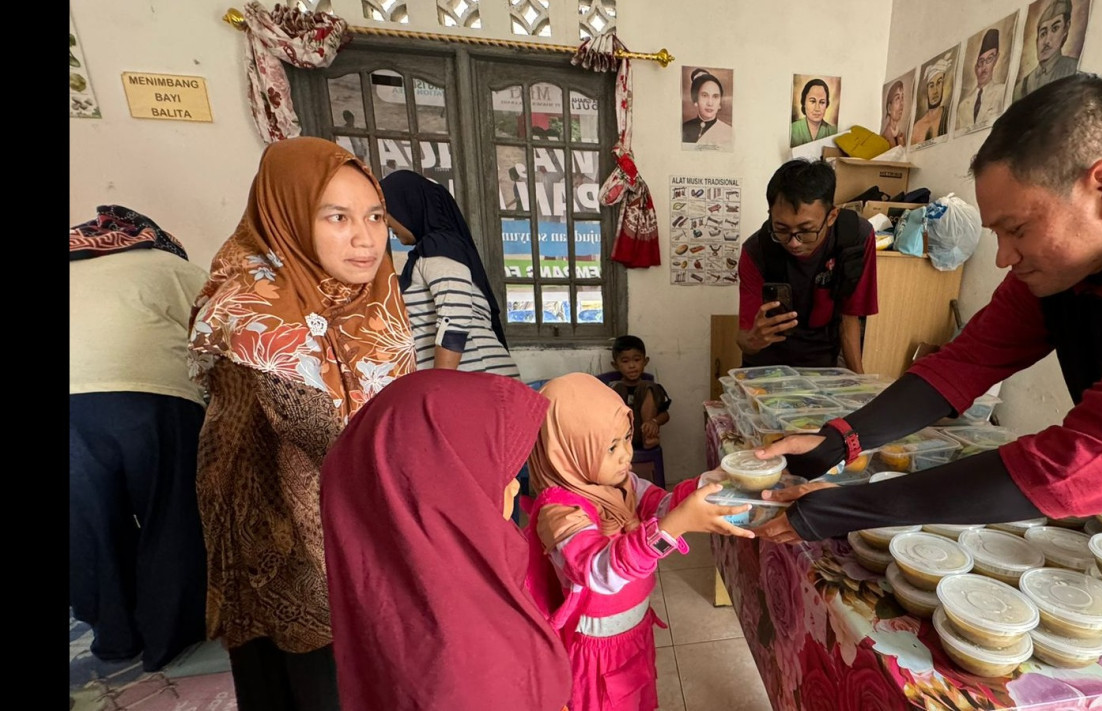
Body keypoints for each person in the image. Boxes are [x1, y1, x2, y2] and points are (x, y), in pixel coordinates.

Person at [749, 74, 1102, 546]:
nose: (1003, 257)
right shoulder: (1066, 265)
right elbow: (964, 361)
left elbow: (1097, 453)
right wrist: (841, 438)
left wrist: (848, 508)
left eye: (1015, 230)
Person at [189, 136, 415, 711]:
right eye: (337, 217)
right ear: (287, 214)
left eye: (375, 216)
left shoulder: (376, 299)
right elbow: (321, 437)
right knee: (316, 682)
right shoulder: (251, 308)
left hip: (367, 525)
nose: (366, 238)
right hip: (286, 539)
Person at [320, 370, 573, 711]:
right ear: (443, 492)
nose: (514, 488)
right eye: (502, 477)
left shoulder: (407, 607)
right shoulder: (479, 669)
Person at [526, 373, 753, 711]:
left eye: (626, 439)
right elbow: (599, 571)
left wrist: (710, 483)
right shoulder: (560, 512)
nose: (626, 455)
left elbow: (661, 504)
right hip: (596, 652)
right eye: (611, 447)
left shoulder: (621, 484)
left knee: (637, 696)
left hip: (633, 630)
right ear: (569, 451)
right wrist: (671, 529)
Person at [69, 205, 209, 673]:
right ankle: (167, 637)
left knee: (91, 524)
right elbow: (219, 333)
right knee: (168, 515)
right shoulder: (169, 267)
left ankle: (114, 637)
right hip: (152, 400)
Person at [736, 159, 879, 372]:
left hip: (823, 362)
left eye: (806, 230)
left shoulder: (855, 239)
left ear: (831, 216)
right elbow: (744, 340)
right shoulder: (756, 251)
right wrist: (755, 339)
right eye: (781, 229)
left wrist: (860, 384)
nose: (794, 242)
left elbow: (849, 321)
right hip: (767, 366)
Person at [381, 169, 520, 377]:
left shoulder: (438, 246)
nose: (384, 221)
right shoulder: (432, 252)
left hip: (475, 383)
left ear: (405, 205)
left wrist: (440, 387)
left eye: (384, 210)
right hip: (477, 381)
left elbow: (455, 314)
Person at [608, 335, 671, 449]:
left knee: (647, 386)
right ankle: (617, 441)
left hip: (642, 434)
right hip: (619, 437)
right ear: (615, 365)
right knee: (617, 387)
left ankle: (647, 437)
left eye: (637, 360)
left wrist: (654, 422)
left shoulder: (651, 388)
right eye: (625, 361)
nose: (632, 365)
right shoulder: (614, 387)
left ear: (645, 361)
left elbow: (665, 415)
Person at [1014, 0, 1081, 101]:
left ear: (1065, 29)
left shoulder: (1075, 68)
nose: (1047, 41)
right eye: (1043, 33)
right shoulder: (1021, 87)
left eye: (1055, 29)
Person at [957, 28, 1007, 130]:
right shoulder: (963, 105)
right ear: (976, 67)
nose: (984, 68)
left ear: (996, 60)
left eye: (989, 59)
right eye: (981, 61)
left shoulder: (1002, 92)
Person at [681, 68, 733, 147]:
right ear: (696, 100)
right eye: (704, 95)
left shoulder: (728, 132)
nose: (710, 103)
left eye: (715, 96)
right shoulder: (683, 128)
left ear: (719, 103)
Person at [911, 57, 952, 144]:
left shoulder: (949, 116)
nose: (935, 91)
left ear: (943, 85)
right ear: (927, 89)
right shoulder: (917, 127)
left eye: (939, 83)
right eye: (931, 85)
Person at [790, 78, 837, 148]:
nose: (817, 108)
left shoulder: (833, 131)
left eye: (822, 102)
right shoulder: (792, 129)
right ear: (804, 102)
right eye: (812, 101)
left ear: (827, 104)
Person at [880, 80, 907, 148]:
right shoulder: (885, 137)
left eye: (902, 97)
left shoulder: (900, 134)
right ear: (889, 108)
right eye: (897, 98)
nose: (901, 103)